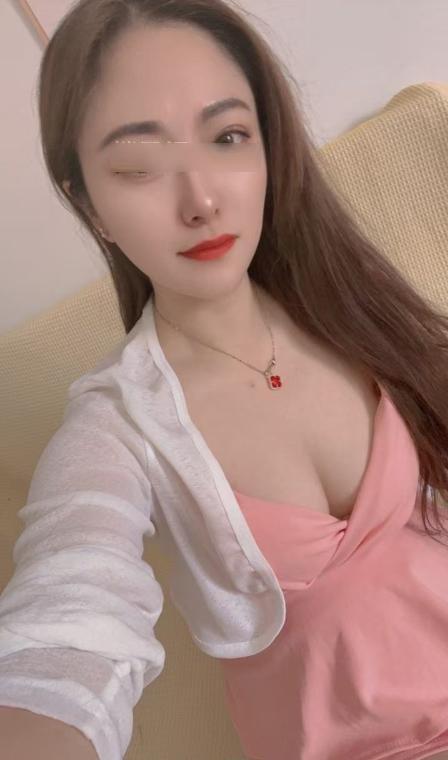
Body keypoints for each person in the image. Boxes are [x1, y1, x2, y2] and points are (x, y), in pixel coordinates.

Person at [1, 1, 448, 759]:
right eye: (138, 166)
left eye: (229, 137)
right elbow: (73, 615)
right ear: (88, 204)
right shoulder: (119, 425)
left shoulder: (355, 305)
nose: (202, 201)